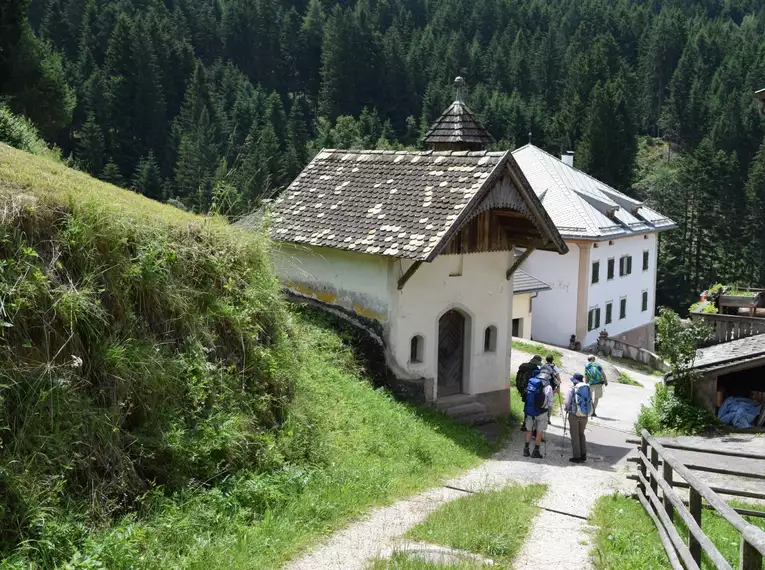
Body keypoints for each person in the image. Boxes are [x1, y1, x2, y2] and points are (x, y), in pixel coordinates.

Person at [523, 369, 554, 459]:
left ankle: (526, 450)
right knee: (539, 432)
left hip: (531, 411)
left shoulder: (532, 384)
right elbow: (550, 402)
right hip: (542, 412)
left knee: (529, 430)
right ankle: (536, 451)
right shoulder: (548, 388)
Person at [564, 372, 593, 463]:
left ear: (574, 381)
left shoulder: (571, 389)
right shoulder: (587, 388)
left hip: (574, 415)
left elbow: (567, 402)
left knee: (575, 435)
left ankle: (577, 457)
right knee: (581, 434)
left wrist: (567, 408)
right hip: (585, 414)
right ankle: (583, 454)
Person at [515, 355, 542, 431]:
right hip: (529, 390)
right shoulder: (535, 369)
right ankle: (526, 425)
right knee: (529, 406)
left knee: (527, 405)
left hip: (521, 388)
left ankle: (525, 423)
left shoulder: (523, 366)